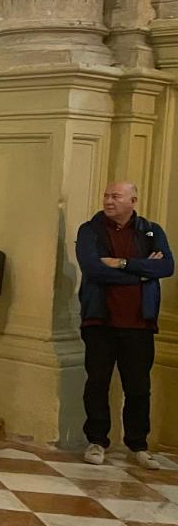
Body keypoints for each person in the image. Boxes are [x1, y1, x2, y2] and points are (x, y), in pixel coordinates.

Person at [75, 181, 173, 468]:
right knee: (97, 383)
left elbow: (166, 266)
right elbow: (93, 269)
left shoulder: (151, 231)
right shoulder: (90, 230)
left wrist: (121, 264)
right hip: (99, 319)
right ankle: (96, 441)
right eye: (106, 195)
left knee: (138, 386)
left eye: (115, 196)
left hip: (139, 322)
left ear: (133, 200)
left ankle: (138, 445)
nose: (108, 200)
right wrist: (142, 273)